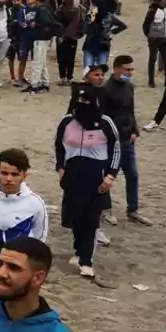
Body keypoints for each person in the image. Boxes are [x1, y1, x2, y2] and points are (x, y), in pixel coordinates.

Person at [54, 84, 121, 279]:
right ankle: (78, 251)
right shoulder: (67, 122)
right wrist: (60, 168)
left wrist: (110, 175)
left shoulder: (105, 123)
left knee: (90, 219)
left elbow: (116, 150)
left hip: (96, 178)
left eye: (86, 100)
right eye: (79, 100)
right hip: (72, 176)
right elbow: (58, 146)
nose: (82, 104)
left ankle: (87, 261)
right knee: (74, 216)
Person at [0, 148, 49, 303]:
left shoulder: (35, 204)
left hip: (17, 278)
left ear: (25, 175)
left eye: (15, 174)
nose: (9, 179)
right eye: (4, 173)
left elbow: (39, 240)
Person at [102, 54, 152, 225]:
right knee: (107, 175)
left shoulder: (129, 87)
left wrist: (134, 130)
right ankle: (106, 209)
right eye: (127, 69)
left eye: (132, 69)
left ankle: (133, 210)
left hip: (127, 138)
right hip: (110, 139)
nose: (130, 72)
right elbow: (103, 116)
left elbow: (131, 110)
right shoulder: (106, 89)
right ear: (116, 69)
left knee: (132, 174)